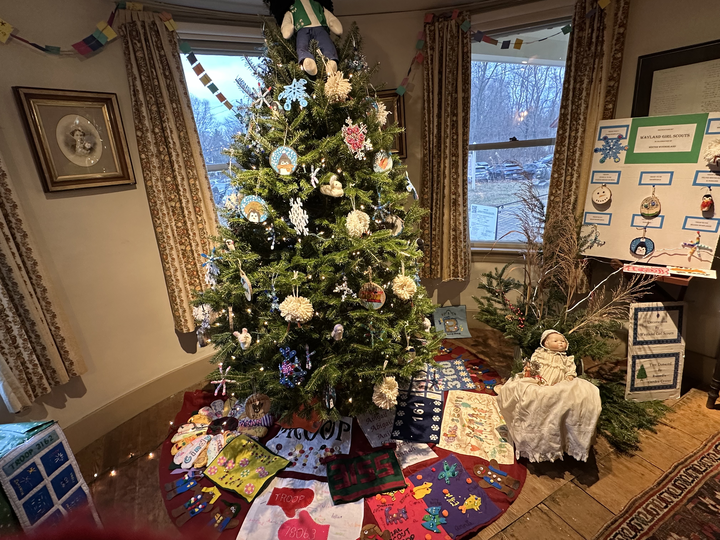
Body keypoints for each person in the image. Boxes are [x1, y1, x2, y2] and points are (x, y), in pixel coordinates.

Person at [496, 330, 602, 462]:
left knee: (572, 392)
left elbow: (570, 370)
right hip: (542, 379)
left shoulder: (566, 358)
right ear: (546, 343)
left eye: (562, 341)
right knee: (528, 391)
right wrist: (531, 371)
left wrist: (569, 376)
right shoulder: (540, 354)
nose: (560, 343)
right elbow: (534, 365)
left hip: (559, 381)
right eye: (556, 341)